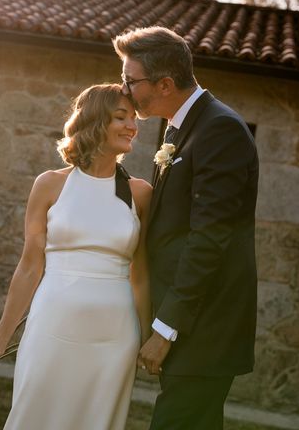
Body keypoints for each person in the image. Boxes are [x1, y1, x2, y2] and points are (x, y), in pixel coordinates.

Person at [0, 83, 152, 429]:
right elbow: (29, 267)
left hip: (114, 335)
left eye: (134, 118)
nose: (132, 126)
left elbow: (141, 274)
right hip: (52, 324)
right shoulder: (50, 185)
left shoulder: (140, 193)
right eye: (121, 117)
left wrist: (148, 340)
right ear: (94, 121)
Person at [113, 26, 258, 430]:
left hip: (204, 325)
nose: (124, 89)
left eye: (130, 80)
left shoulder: (220, 130)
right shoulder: (184, 126)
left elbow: (209, 237)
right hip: (191, 321)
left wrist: (165, 327)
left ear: (164, 84)